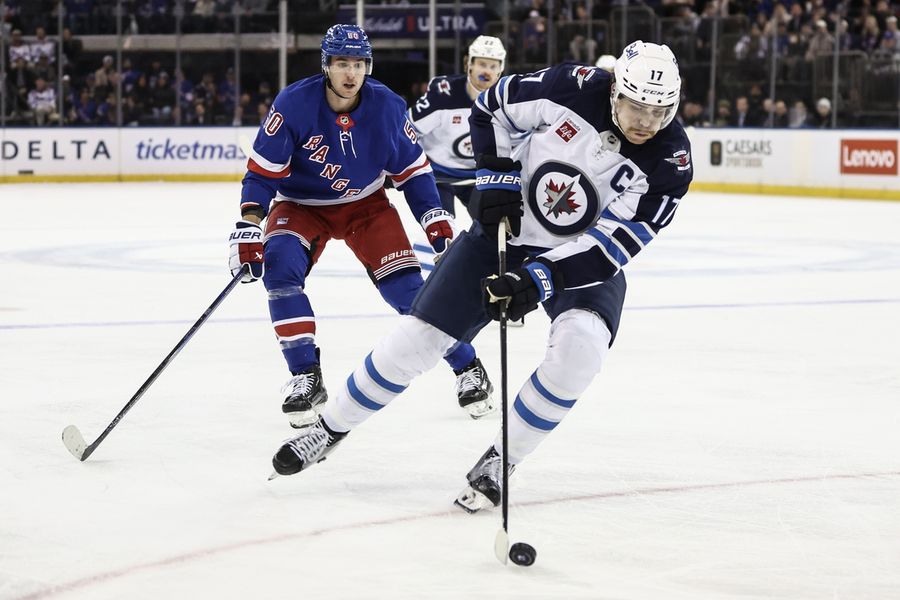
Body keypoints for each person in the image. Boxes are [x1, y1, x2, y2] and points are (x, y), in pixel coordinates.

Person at [268, 39, 694, 516]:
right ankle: (329, 428)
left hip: (579, 257)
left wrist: (537, 280)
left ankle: (502, 459)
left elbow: (614, 245)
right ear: (615, 89)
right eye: (635, 107)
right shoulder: (569, 86)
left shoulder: (671, 162)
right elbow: (493, 109)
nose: (644, 123)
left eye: (658, 113)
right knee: (420, 337)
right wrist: (497, 175)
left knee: (582, 349)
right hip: (504, 233)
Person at [228, 24, 495, 427]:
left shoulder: (386, 106)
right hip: (301, 205)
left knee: (409, 294)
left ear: (367, 66)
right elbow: (263, 172)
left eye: (358, 64)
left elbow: (413, 170)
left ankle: (468, 367)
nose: (350, 73)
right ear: (326, 66)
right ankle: (305, 377)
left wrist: (434, 217)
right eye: (341, 64)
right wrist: (249, 222)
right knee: (280, 272)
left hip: (365, 207)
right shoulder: (293, 104)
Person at [407, 35, 507, 218]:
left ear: (501, 70)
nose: (487, 72)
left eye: (493, 66)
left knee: (493, 230)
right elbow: (406, 130)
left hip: (479, 177)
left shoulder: (508, 100)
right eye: (482, 64)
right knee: (442, 230)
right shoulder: (443, 94)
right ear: (468, 64)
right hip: (437, 175)